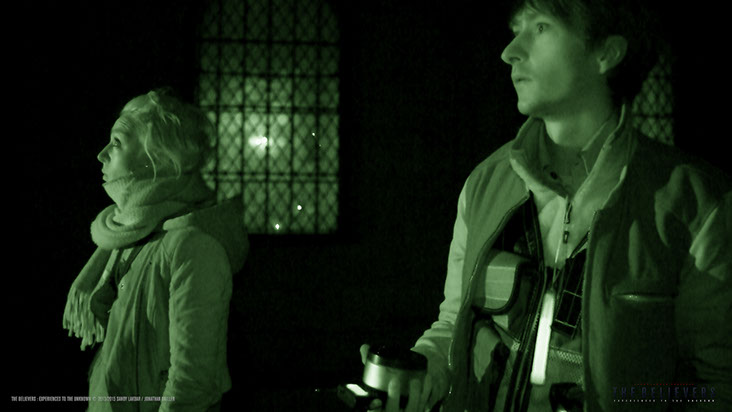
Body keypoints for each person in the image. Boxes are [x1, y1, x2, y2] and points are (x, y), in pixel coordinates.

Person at [366, 0, 731, 411]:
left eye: (540, 28)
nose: (510, 51)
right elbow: (454, 324)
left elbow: (716, 383)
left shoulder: (694, 205)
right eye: (516, 30)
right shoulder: (485, 184)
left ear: (606, 53)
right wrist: (423, 369)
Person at [63, 88, 249, 411]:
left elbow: (192, 384)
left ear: (158, 159)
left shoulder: (193, 247)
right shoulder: (132, 237)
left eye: (117, 142)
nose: (102, 154)